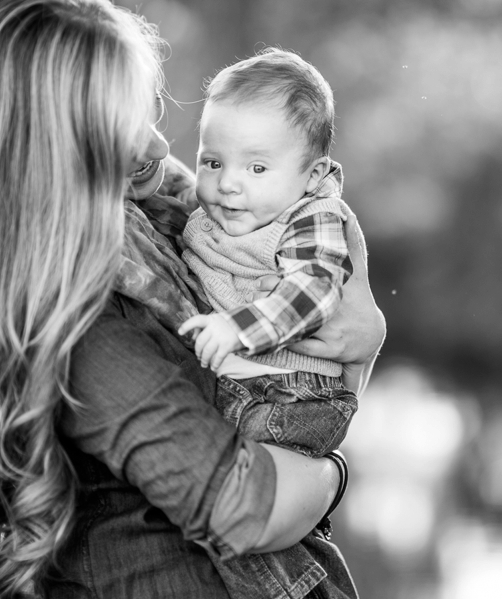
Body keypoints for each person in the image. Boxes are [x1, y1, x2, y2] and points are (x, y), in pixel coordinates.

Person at [0, 1, 385, 599]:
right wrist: (334, 473)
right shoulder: (85, 320)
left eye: (152, 110)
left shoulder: (153, 236)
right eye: (126, 123)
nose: (161, 144)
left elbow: (294, 387)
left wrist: (356, 347)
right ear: (53, 151)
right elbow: (246, 508)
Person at [158, 49, 372, 599]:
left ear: (314, 174)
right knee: (238, 523)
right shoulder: (224, 210)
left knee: (233, 511)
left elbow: (313, 291)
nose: (228, 183)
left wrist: (238, 330)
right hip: (252, 382)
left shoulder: (312, 217)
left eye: (256, 167)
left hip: (291, 394)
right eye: (213, 161)